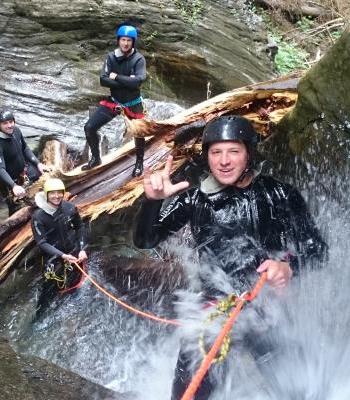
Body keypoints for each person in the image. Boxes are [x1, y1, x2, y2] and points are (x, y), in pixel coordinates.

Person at [133, 115, 327, 400]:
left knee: (297, 390)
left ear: (248, 152)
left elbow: (318, 250)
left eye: (233, 151)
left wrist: (288, 267)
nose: (224, 161)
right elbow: (145, 240)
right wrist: (152, 202)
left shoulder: (280, 195)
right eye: (216, 152)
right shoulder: (196, 199)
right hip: (213, 308)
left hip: (264, 306)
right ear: (207, 157)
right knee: (189, 392)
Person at [81, 23, 148, 177]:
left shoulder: (138, 59)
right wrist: (127, 81)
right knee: (89, 127)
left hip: (133, 103)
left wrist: (116, 76)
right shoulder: (111, 57)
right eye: (123, 40)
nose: (125, 43)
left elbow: (138, 81)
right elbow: (103, 80)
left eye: (129, 40)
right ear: (118, 40)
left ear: (133, 42)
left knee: (139, 133)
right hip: (115, 101)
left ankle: (139, 162)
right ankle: (96, 158)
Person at [31, 178, 89, 314]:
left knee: (75, 283)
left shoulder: (69, 207)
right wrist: (62, 255)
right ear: (46, 194)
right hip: (52, 258)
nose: (56, 196)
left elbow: (79, 226)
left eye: (59, 193)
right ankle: (39, 318)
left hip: (73, 252)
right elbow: (41, 243)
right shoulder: (38, 217)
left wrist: (82, 249)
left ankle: (74, 309)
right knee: (48, 294)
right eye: (52, 193)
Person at [0, 109, 52, 215]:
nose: (9, 125)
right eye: (5, 123)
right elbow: (0, 169)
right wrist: (13, 186)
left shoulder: (16, 131)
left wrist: (38, 164)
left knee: (43, 178)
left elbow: (25, 149)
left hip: (22, 172)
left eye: (11, 121)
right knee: (15, 208)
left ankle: (44, 209)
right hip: (7, 181)